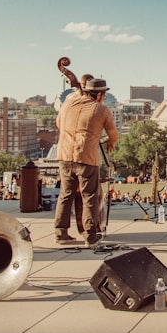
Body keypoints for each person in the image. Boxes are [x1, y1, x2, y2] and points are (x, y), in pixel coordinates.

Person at [54, 77, 118, 246]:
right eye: (103, 94)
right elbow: (114, 135)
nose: (104, 97)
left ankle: (61, 233)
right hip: (86, 157)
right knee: (89, 196)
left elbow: (59, 123)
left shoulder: (68, 103)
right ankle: (90, 236)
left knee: (65, 194)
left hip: (65, 154)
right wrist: (109, 141)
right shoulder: (101, 109)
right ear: (98, 95)